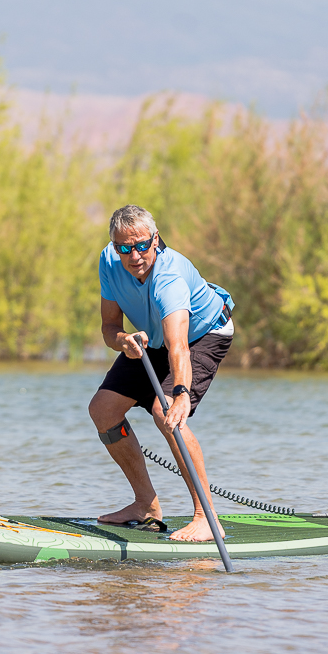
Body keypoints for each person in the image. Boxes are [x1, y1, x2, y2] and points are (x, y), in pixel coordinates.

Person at [88, 204, 234, 542]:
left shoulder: (169, 278)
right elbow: (109, 327)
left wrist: (181, 393)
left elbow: (179, 347)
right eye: (125, 248)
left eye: (141, 245)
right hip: (151, 337)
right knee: (103, 410)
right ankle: (146, 505)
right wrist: (123, 340)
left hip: (204, 334)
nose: (134, 255)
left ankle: (206, 519)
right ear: (114, 247)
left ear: (156, 240)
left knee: (165, 411)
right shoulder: (109, 263)